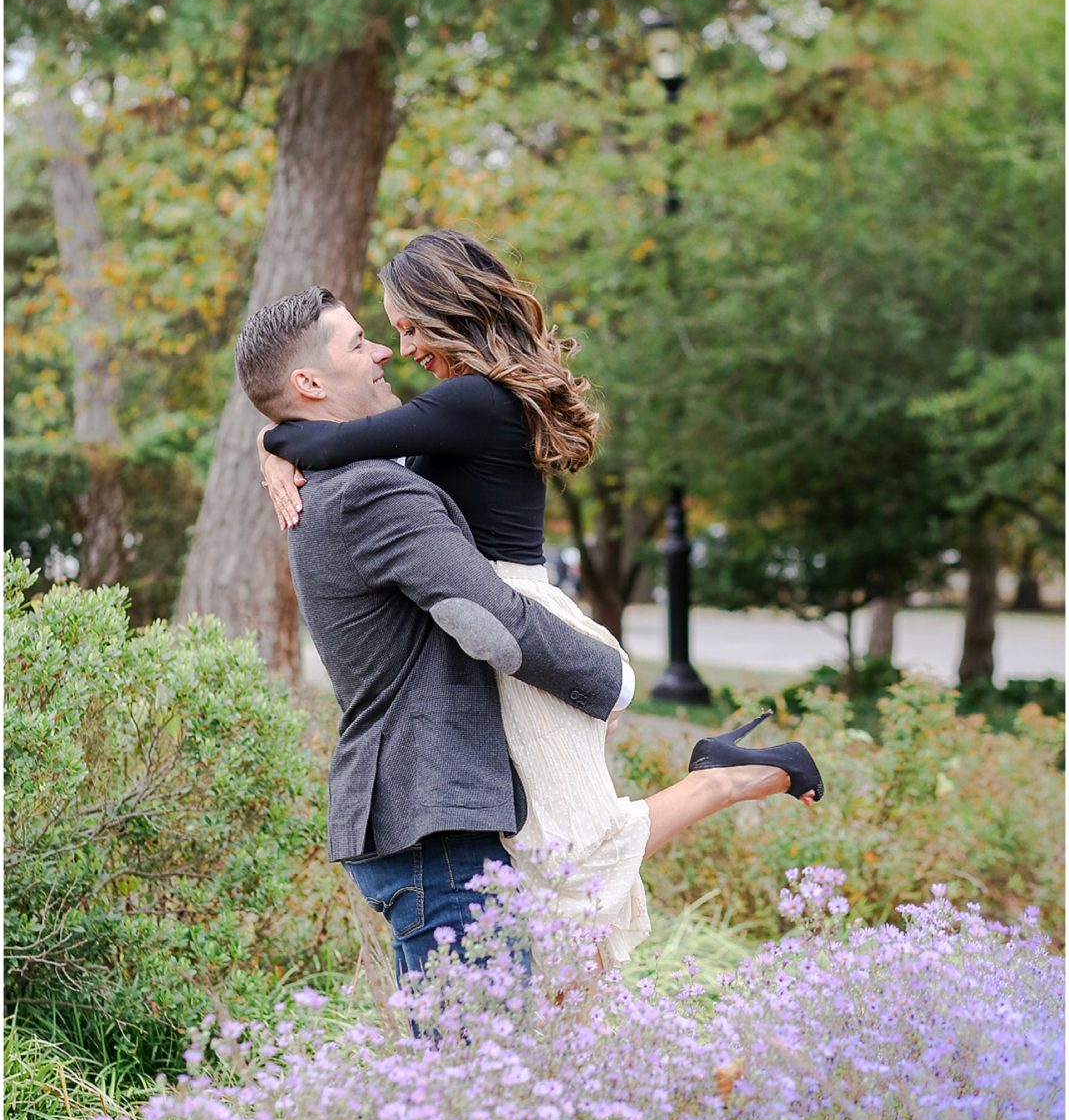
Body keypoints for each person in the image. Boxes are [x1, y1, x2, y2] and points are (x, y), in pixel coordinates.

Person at [258, 235, 823, 969]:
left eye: (405, 325)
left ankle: (726, 777)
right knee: (550, 858)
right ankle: (717, 780)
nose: (398, 347)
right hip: (498, 609)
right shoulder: (468, 402)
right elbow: (347, 440)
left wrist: (273, 439)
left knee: (573, 852)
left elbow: (340, 442)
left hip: (512, 617)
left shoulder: (467, 400)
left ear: (446, 309)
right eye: (384, 333)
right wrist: (280, 432)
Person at [235, 286, 634, 984]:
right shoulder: (369, 492)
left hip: (420, 817)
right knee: (477, 1063)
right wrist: (610, 680)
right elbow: (490, 623)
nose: (384, 351)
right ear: (309, 382)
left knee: (468, 1068)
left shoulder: (343, 480)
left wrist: (273, 439)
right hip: (433, 818)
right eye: (359, 343)